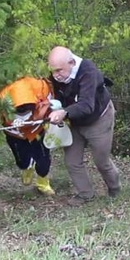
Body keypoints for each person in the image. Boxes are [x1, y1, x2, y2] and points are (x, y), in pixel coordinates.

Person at [47, 46, 120, 205]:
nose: (55, 75)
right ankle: (85, 194)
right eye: (53, 71)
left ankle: (115, 188)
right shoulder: (57, 76)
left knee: (101, 161)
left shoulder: (88, 71)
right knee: (72, 161)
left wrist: (64, 113)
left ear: (72, 62)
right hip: (74, 121)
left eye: (59, 70)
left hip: (99, 119)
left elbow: (87, 106)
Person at [0, 76, 56, 195]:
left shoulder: (41, 89)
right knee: (22, 161)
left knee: (43, 161)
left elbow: (54, 101)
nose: (23, 111)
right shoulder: (0, 101)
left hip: (37, 132)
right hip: (15, 136)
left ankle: (42, 183)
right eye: (19, 110)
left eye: (26, 108)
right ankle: (27, 167)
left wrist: (55, 110)